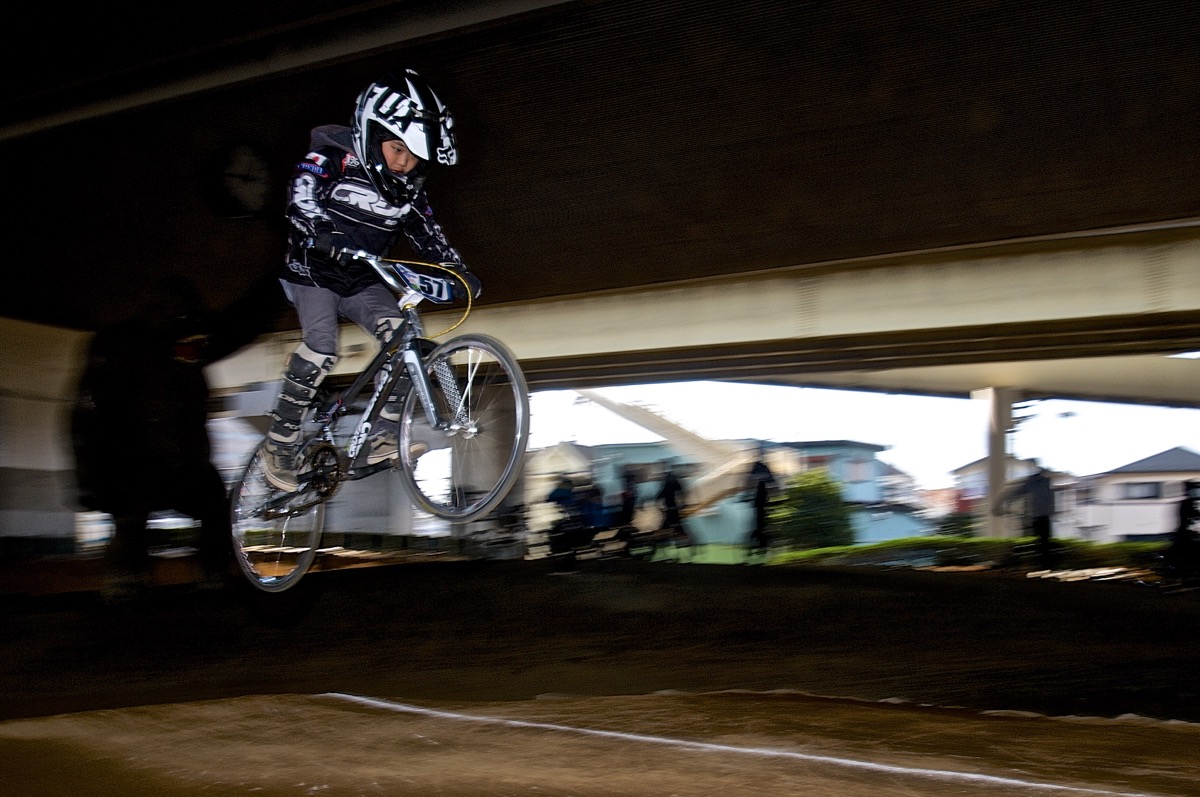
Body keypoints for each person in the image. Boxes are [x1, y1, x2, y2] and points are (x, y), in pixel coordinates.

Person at [261, 68, 479, 492]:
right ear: (371, 133)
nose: (405, 163)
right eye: (398, 149)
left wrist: (457, 269)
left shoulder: (409, 188)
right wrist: (324, 233)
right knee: (323, 345)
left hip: (361, 277)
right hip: (313, 270)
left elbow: (427, 233)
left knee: (402, 337)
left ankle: (382, 435)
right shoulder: (332, 157)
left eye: (415, 156)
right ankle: (279, 444)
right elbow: (301, 194)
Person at [71, 273, 280, 600]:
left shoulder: (180, 339)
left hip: (175, 465)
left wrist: (278, 282)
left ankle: (191, 577)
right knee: (133, 518)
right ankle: (133, 580)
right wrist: (90, 479)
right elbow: (88, 414)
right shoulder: (123, 344)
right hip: (134, 466)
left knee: (209, 506)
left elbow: (237, 326)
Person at [997, 460, 1056, 568]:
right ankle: (1045, 564)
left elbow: (1018, 492)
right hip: (1043, 516)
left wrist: (1003, 500)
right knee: (1044, 542)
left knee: (1040, 542)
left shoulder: (1034, 481)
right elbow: (1019, 492)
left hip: (1038, 516)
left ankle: (1041, 564)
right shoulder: (1043, 481)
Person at [743, 448, 779, 560]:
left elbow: (772, 482)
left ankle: (758, 545)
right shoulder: (760, 468)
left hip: (761, 501)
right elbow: (749, 482)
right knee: (759, 523)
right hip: (760, 501)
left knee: (759, 523)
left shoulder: (760, 468)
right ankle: (758, 545)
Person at [656, 464, 693, 561]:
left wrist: (659, 504)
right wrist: (683, 504)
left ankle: (662, 549)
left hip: (670, 510)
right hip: (674, 510)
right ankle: (686, 547)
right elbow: (682, 493)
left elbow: (661, 495)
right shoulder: (675, 481)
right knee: (678, 528)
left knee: (666, 530)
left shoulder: (667, 482)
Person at [1165, 480, 1200, 577]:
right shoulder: (1187, 503)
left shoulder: (1189, 502)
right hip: (1183, 532)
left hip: (1186, 531)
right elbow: (1194, 515)